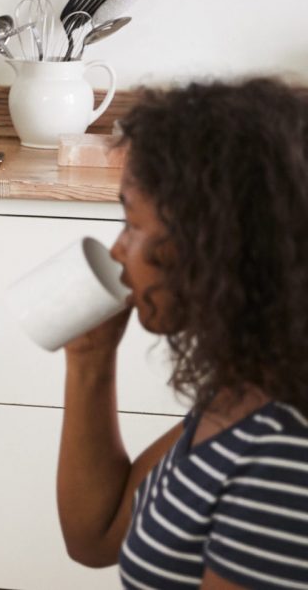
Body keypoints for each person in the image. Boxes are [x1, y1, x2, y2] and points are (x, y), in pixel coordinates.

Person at [55, 79, 308, 588]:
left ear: (214, 246)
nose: (119, 251)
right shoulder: (246, 390)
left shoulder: (283, 457)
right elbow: (96, 536)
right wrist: (90, 356)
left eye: (131, 223)